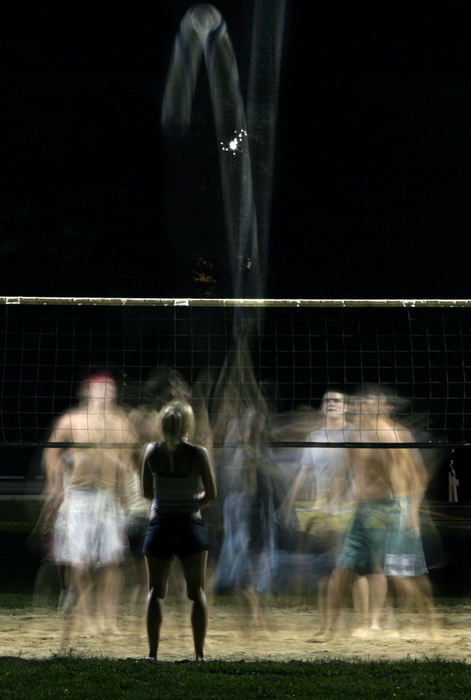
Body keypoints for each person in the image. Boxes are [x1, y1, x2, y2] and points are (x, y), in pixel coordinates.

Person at [43, 372, 137, 644]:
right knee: (78, 562)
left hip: (107, 497)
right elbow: (52, 453)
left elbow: (127, 461)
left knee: (112, 561)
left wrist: (126, 493)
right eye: (100, 390)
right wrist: (56, 486)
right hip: (79, 496)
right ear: (87, 392)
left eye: (110, 390)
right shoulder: (71, 419)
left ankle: (107, 617)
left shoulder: (122, 424)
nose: (106, 395)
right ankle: (87, 613)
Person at [142, 400, 217, 662]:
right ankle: (199, 655)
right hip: (189, 525)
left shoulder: (152, 451)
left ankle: (152, 655)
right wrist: (193, 500)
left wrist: (168, 497)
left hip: (160, 525)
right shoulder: (198, 454)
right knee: (197, 593)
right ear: (187, 424)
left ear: (163, 424)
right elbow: (212, 493)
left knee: (155, 592)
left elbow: (146, 493)